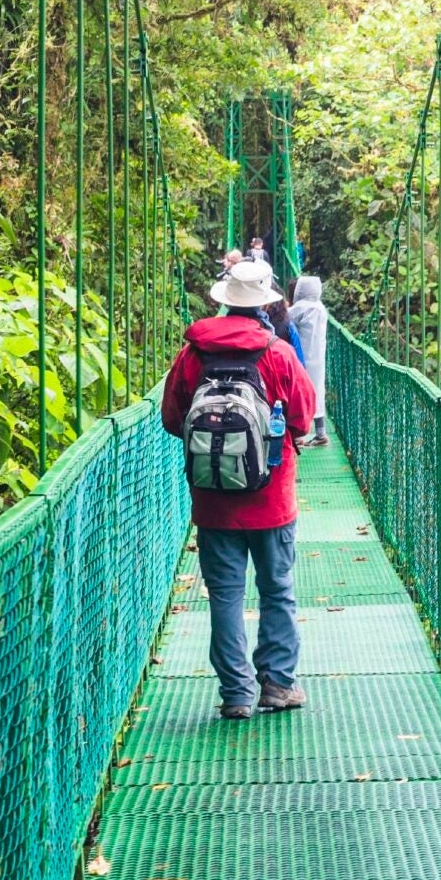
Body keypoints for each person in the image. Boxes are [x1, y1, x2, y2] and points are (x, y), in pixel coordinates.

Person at [160, 259, 317, 721]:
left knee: (225, 594)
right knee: (277, 589)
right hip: (272, 498)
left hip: (213, 501)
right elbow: (303, 420)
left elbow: (172, 419)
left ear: (224, 299)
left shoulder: (192, 353)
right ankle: (277, 684)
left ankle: (235, 693)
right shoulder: (278, 353)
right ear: (266, 302)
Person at [291, 274, 329, 445]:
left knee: (300, 393)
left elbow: (283, 319)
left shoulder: (300, 308)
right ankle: (321, 433)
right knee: (318, 392)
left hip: (302, 358)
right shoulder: (321, 308)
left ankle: (298, 435)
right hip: (319, 358)